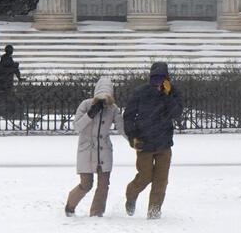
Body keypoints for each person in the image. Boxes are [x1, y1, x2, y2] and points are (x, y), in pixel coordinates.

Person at [123, 62, 183, 220]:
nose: (158, 82)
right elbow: (128, 116)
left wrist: (167, 95)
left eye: (161, 79)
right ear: (150, 78)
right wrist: (132, 137)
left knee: (161, 181)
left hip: (164, 144)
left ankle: (154, 212)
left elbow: (176, 112)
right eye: (155, 79)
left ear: (167, 79)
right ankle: (131, 195)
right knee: (144, 177)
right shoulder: (140, 92)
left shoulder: (172, 92)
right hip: (144, 143)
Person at [65, 76, 124, 217]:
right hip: (86, 150)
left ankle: (96, 213)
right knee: (86, 184)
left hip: (104, 151)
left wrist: (134, 142)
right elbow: (77, 127)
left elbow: (122, 128)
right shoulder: (86, 105)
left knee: (103, 185)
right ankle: (70, 206)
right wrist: (90, 114)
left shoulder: (113, 109)